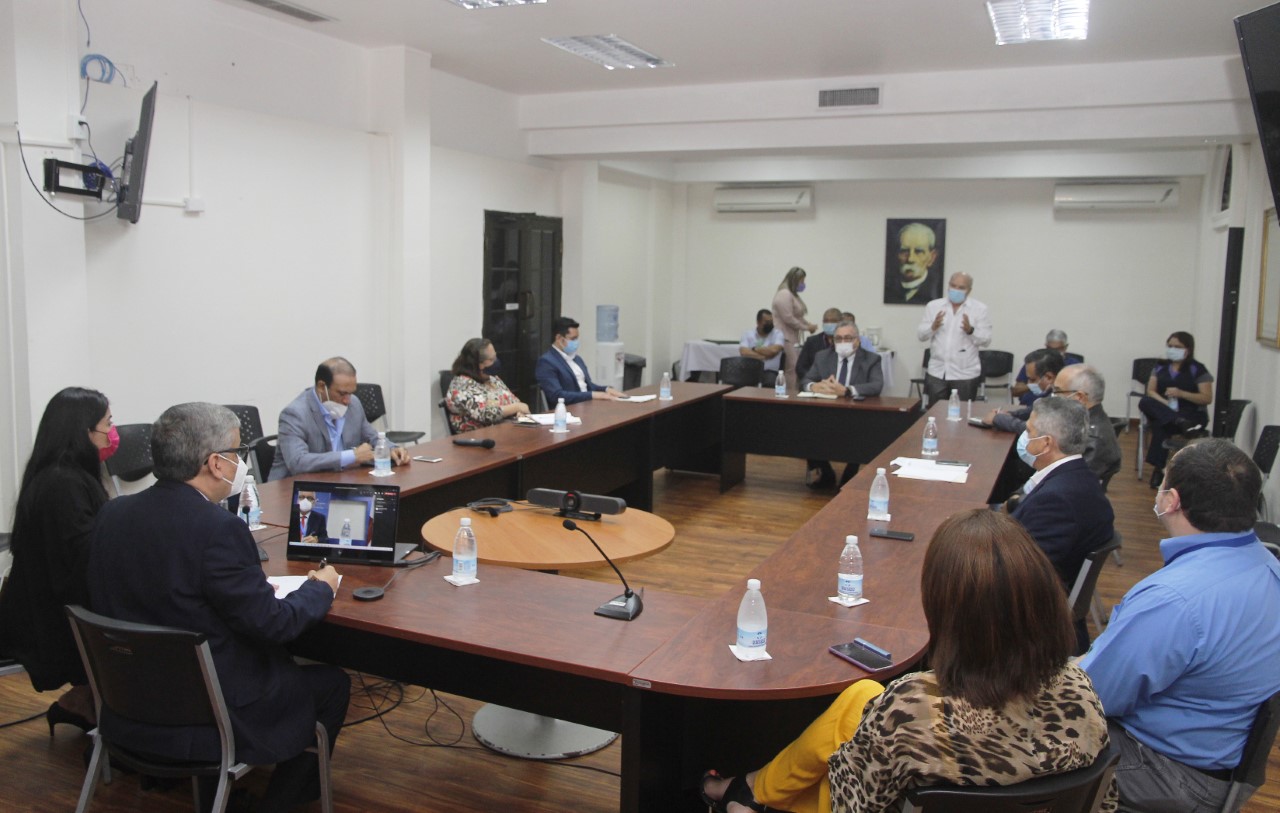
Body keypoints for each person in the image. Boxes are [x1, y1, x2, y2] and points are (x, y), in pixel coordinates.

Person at [700, 509, 1115, 813]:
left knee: (854, 728)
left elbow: (851, 802)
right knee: (861, 697)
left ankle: (746, 794)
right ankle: (748, 791)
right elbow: (1105, 800)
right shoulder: (1080, 690)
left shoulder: (911, 709)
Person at [89, 403, 348, 813]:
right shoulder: (218, 529)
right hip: (211, 710)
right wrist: (321, 588)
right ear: (215, 463)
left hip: (129, 702)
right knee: (333, 684)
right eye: (237, 452)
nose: (241, 462)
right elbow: (275, 625)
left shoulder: (112, 514)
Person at [1081, 439, 1280, 813]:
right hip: (1222, 765)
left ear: (1170, 501)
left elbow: (1092, 695)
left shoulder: (1174, 599)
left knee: (1015, 734)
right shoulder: (1269, 566)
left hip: (1167, 773)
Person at [0, 387, 115, 733]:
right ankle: (91, 704)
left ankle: (84, 701)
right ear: (83, 432)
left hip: (57, 600)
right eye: (107, 425)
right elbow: (79, 563)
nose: (112, 434)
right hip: (53, 614)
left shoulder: (62, 473)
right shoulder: (63, 484)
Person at [1009, 397, 1115, 653]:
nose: (1024, 437)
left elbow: (1020, 573)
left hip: (1035, 626)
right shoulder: (1079, 477)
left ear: (1046, 443)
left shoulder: (1056, 501)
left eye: (1029, 431)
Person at [269, 356, 410, 481]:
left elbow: (372, 437)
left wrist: (392, 448)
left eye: (351, 393)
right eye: (342, 393)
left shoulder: (353, 404)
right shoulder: (295, 414)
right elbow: (298, 462)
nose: (347, 400)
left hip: (339, 481)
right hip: (293, 490)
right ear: (321, 387)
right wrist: (352, 456)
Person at [801, 321, 884, 489]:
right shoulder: (823, 356)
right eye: (838, 338)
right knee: (806, 426)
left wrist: (847, 390)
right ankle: (826, 473)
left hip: (857, 413)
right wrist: (814, 386)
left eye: (848, 338)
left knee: (862, 432)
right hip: (826, 412)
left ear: (857, 341)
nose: (843, 342)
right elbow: (806, 380)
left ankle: (851, 474)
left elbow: (877, 385)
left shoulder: (871, 359)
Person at [1138, 331, 1212, 488]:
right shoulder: (1160, 366)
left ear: (1188, 349)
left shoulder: (1198, 369)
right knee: (1145, 402)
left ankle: (1159, 469)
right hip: (1168, 410)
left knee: (1161, 425)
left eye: (1177, 347)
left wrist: (1181, 393)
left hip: (1191, 414)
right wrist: (1165, 402)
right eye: (1170, 346)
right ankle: (1178, 421)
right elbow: (1151, 391)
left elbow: (1206, 398)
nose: (1172, 349)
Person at [915, 272, 992, 406]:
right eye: (953, 285)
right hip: (937, 371)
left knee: (962, 414)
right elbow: (921, 335)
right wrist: (933, 327)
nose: (956, 290)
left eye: (961, 287)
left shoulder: (980, 309)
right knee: (935, 412)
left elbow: (986, 340)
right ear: (948, 285)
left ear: (969, 290)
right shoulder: (933, 306)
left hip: (965, 373)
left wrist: (970, 331)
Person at [1053, 364, 1122, 486]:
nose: (1054, 395)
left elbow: (1069, 485)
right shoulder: (1081, 420)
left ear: (1079, 397)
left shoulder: (1092, 439)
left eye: (1058, 391)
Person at [446, 337, 530, 433]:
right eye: (492, 359)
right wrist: (516, 408)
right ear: (478, 363)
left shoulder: (492, 378)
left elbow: (514, 400)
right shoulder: (461, 385)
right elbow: (484, 414)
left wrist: (519, 412)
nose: (496, 361)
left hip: (506, 431)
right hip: (478, 437)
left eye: (495, 357)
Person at [535, 316, 623, 406]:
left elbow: (588, 386)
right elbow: (556, 395)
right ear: (559, 338)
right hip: (568, 409)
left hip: (587, 406)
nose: (576, 342)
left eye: (577, 338)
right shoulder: (546, 362)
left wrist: (606, 390)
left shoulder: (577, 359)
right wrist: (592, 395)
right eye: (573, 339)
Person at [982, 348, 1065, 436]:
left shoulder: (1066, 398)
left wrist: (998, 419)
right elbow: (1037, 409)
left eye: (1032, 380)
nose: (1028, 383)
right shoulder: (1055, 392)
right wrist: (1011, 414)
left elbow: (1036, 430)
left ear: (1049, 377)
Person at [771, 267, 818, 391]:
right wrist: (806, 327)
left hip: (792, 338)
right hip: (785, 337)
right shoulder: (784, 294)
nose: (803, 284)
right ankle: (790, 393)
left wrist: (808, 324)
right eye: (801, 281)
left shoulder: (792, 295)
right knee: (792, 368)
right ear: (794, 280)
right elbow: (788, 318)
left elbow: (798, 317)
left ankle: (794, 392)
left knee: (795, 367)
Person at [1012, 330, 1083, 406]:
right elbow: (1015, 391)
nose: (1054, 352)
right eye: (1051, 349)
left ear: (1066, 347)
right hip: (1028, 406)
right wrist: (1034, 385)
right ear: (1046, 346)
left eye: (1059, 349)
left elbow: (1080, 394)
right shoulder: (1034, 363)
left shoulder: (1074, 366)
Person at [884, 222, 942, 304]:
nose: (910, 259)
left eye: (918, 251)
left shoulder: (937, 289)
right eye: (904, 251)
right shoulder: (888, 288)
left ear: (932, 257)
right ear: (896, 254)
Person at [796, 308, 844, 382]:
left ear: (841, 322)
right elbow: (801, 367)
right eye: (826, 321)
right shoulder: (812, 341)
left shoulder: (845, 342)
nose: (829, 324)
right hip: (815, 383)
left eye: (833, 321)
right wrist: (811, 381)